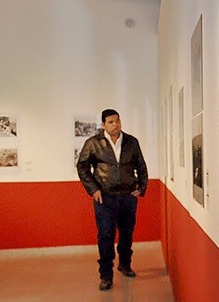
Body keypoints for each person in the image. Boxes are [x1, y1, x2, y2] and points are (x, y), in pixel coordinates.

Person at [77, 109, 148, 291]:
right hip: (105, 199)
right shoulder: (93, 143)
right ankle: (106, 275)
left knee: (126, 234)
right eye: (110, 122)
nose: (115, 124)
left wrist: (141, 188)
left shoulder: (131, 142)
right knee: (106, 236)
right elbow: (83, 167)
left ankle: (125, 264)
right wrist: (93, 190)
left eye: (117, 120)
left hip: (127, 197)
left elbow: (141, 166)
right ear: (103, 125)